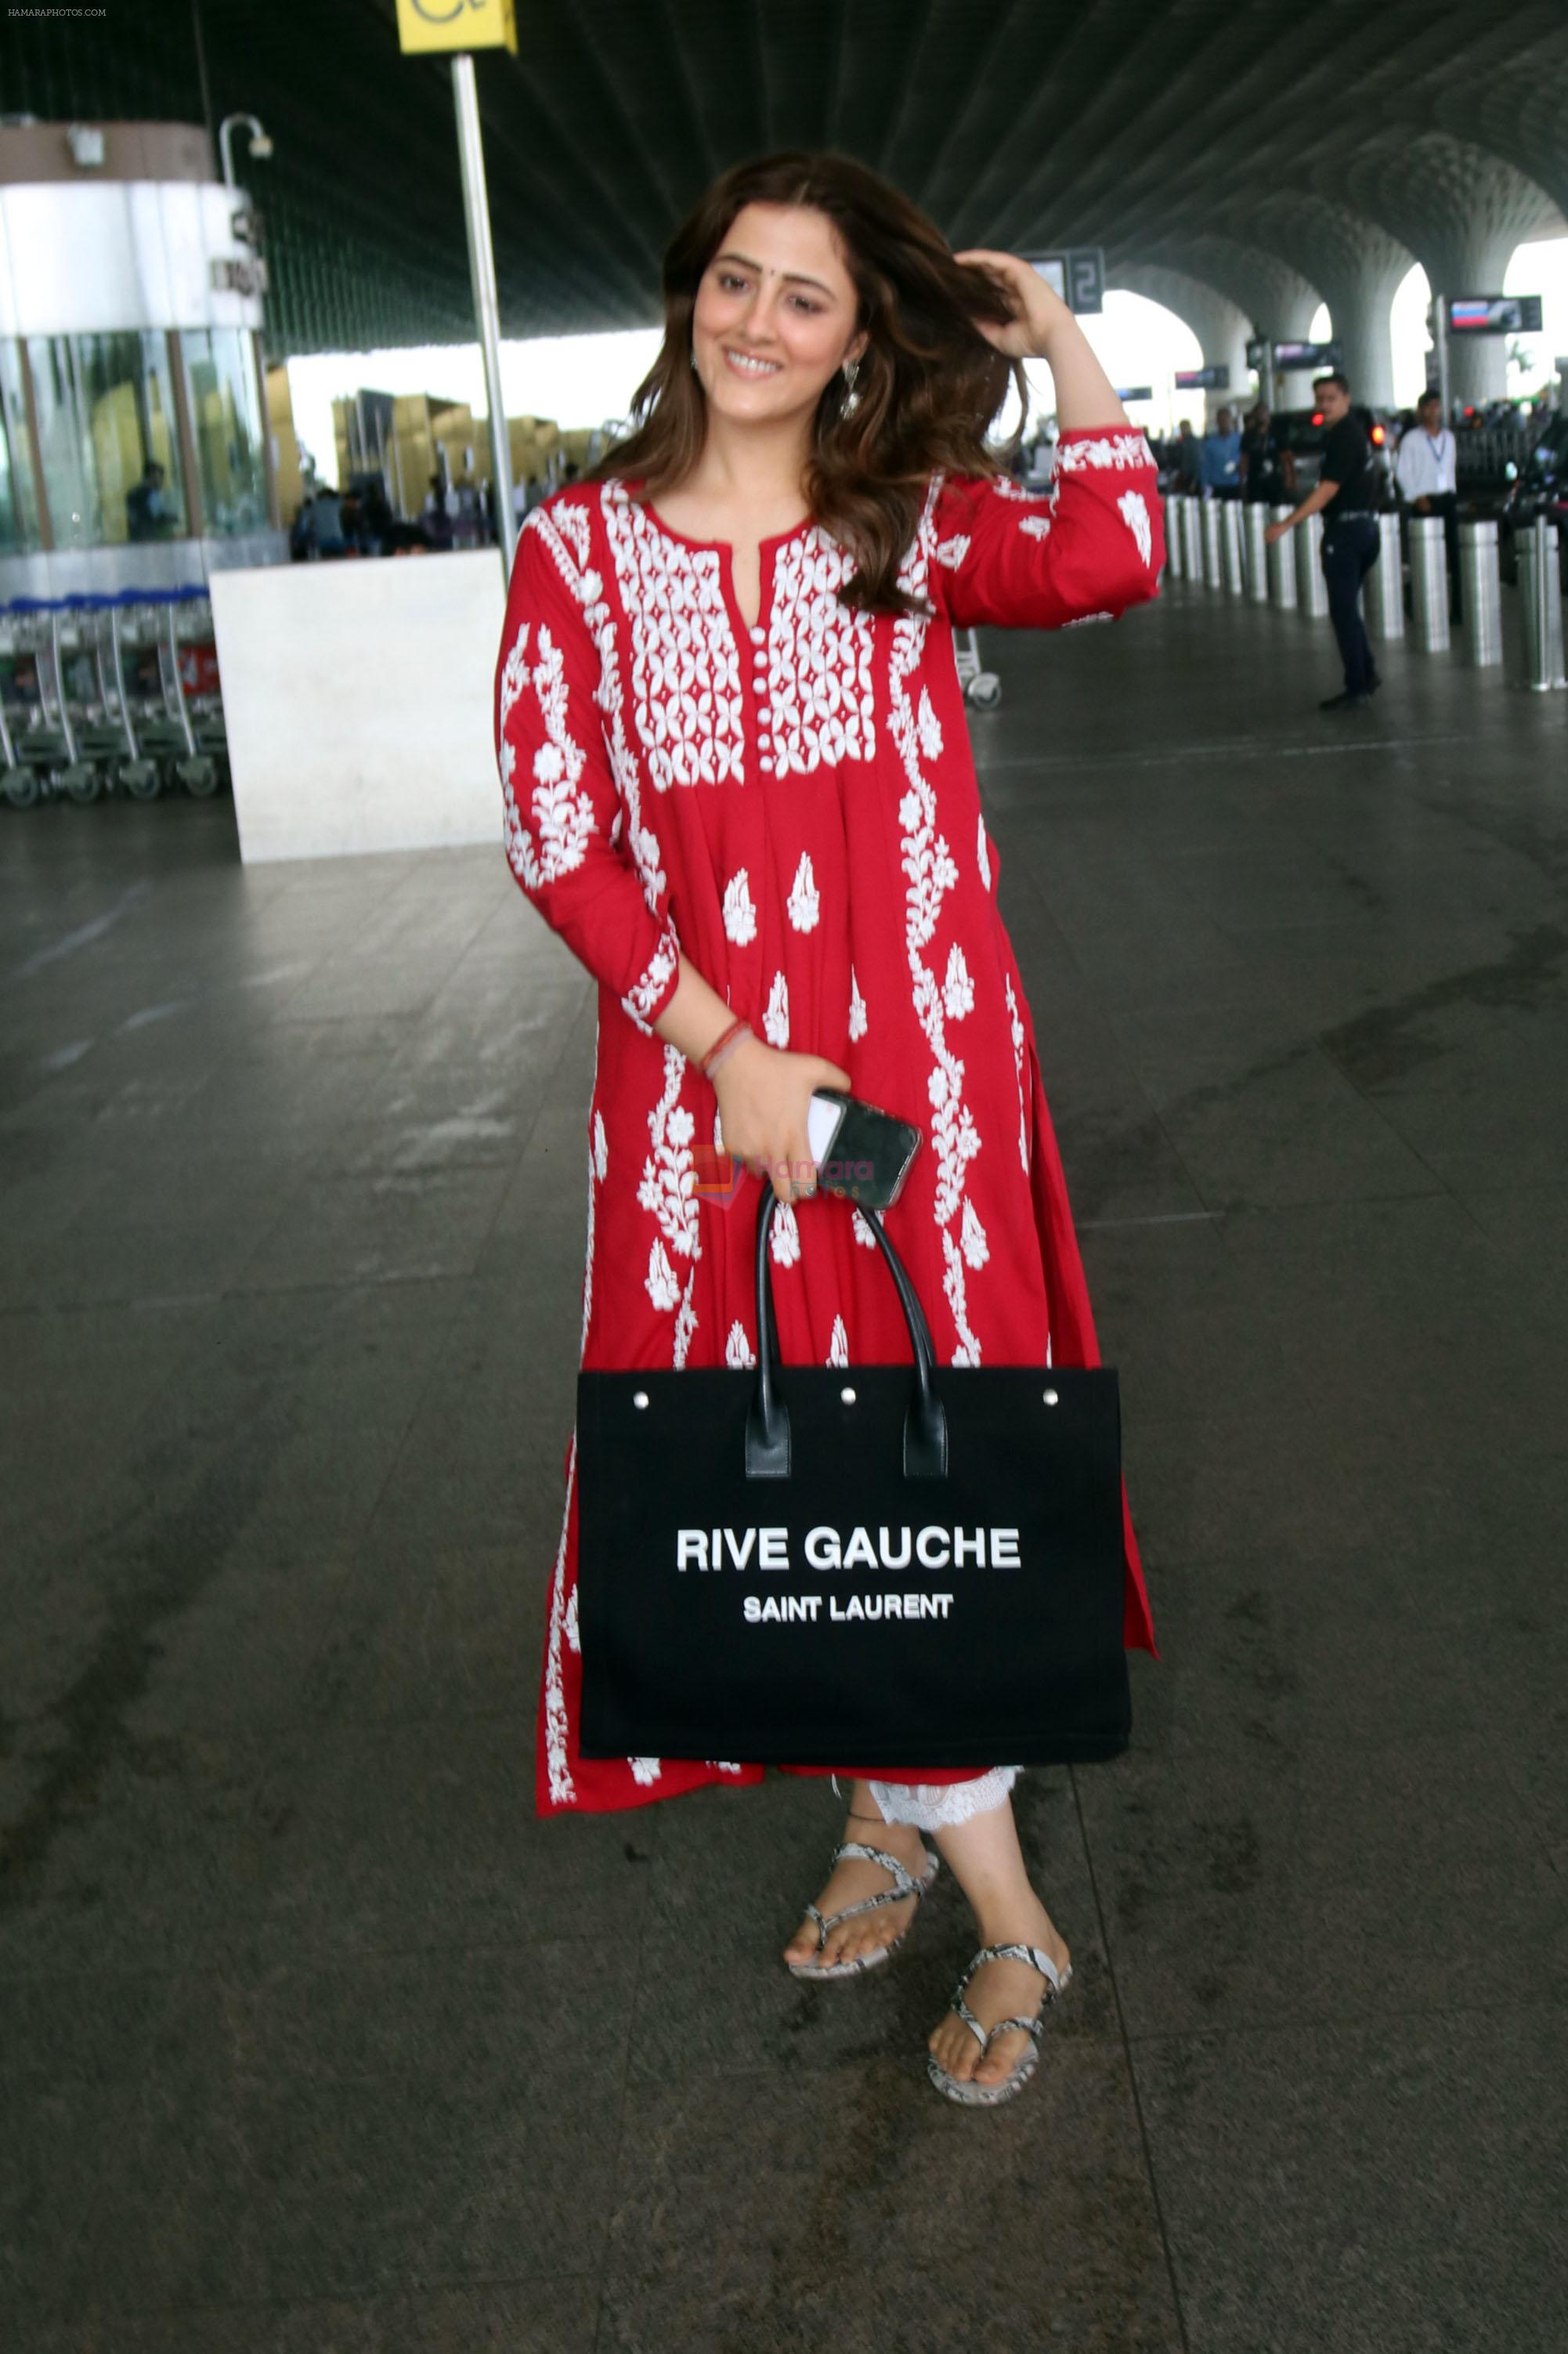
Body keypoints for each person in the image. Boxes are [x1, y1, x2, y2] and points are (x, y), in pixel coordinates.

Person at [493, 150, 1162, 2107]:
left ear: (862, 336)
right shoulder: (580, 554)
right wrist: (731, 1053)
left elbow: (1110, 555)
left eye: (808, 296)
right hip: (714, 1110)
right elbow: (559, 835)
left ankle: (1000, 1900)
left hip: (927, 1097)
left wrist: (1059, 341)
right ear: (686, 294)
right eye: (736, 280)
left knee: (916, 1452)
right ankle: (902, 1810)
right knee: (786, 1460)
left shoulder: (908, 526)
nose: (760, 322)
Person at [1265, 370, 1382, 711]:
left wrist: (1286, 524)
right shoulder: (1348, 434)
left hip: (1346, 534)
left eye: (1331, 398)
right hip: (1362, 529)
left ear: (1346, 399)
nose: (1325, 405)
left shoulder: (1345, 437)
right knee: (1348, 609)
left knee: (1343, 612)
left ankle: (1357, 686)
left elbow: (1327, 491)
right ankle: (1367, 672)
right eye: (1320, 399)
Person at [1396, 389, 1461, 620]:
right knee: (1423, 554)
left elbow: (1450, 467)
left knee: (1455, 554)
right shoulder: (1411, 439)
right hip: (1425, 500)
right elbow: (1403, 472)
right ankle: (1417, 601)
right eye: (1429, 407)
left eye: (1437, 406)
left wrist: (1452, 492)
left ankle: (1457, 608)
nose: (1434, 411)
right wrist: (1415, 496)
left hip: (1447, 498)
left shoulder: (1448, 438)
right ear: (1421, 410)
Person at [1239, 402, 1295, 504]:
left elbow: (1287, 457)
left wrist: (1290, 478)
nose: (1261, 416)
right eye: (1259, 413)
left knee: (1276, 506)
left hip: (1274, 479)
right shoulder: (1248, 435)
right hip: (1255, 480)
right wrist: (1243, 480)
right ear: (1255, 416)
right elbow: (1244, 459)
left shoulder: (1277, 432)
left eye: (1264, 413)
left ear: (1268, 415)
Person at [1198, 404, 1242, 498]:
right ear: (1217, 422)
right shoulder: (1210, 444)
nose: (1224, 422)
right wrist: (1204, 485)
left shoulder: (1238, 440)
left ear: (1230, 420)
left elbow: (1243, 460)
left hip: (1234, 485)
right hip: (1217, 486)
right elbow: (1205, 466)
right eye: (1221, 420)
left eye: (1226, 419)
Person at [125, 461, 172, 542]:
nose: (161, 481)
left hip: (137, 537)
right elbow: (155, 515)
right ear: (151, 476)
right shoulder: (150, 493)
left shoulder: (134, 492)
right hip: (148, 537)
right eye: (159, 477)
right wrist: (170, 518)